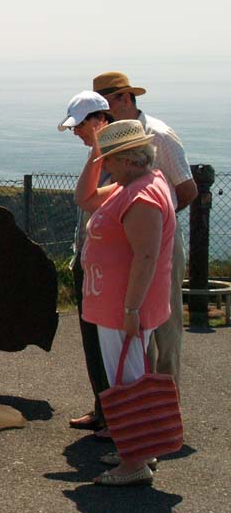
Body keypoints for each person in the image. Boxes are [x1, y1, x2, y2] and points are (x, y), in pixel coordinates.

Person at [76, 119, 176, 486]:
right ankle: (139, 449)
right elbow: (84, 199)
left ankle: (133, 464)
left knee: (127, 381)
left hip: (123, 308)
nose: (108, 167)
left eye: (112, 159)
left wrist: (132, 309)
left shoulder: (142, 196)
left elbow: (145, 257)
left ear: (131, 159)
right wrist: (95, 156)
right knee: (131, 374)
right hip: (117, 306)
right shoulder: (134, 184)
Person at [93, 72, 197, 388]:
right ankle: (135, 411)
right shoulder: (111, 135)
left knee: (163, 327)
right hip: (124, 247)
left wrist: (152, 221)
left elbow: (188, 188)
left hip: (158, 246)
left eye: (105, 105)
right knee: (133, 330)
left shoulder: (159, 135)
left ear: (124, 98)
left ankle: (165, 412)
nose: (101, 115)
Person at [57, 91, 113, 431]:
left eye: (80, 126)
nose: (76, 132)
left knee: (105, 342)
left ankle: (115, 417)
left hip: (105, 266)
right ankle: (103, 408)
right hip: (90, 260)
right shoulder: (99, 154)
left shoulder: (114, 156)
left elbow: (89, 200)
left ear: (98, 121)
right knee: (92, 340)